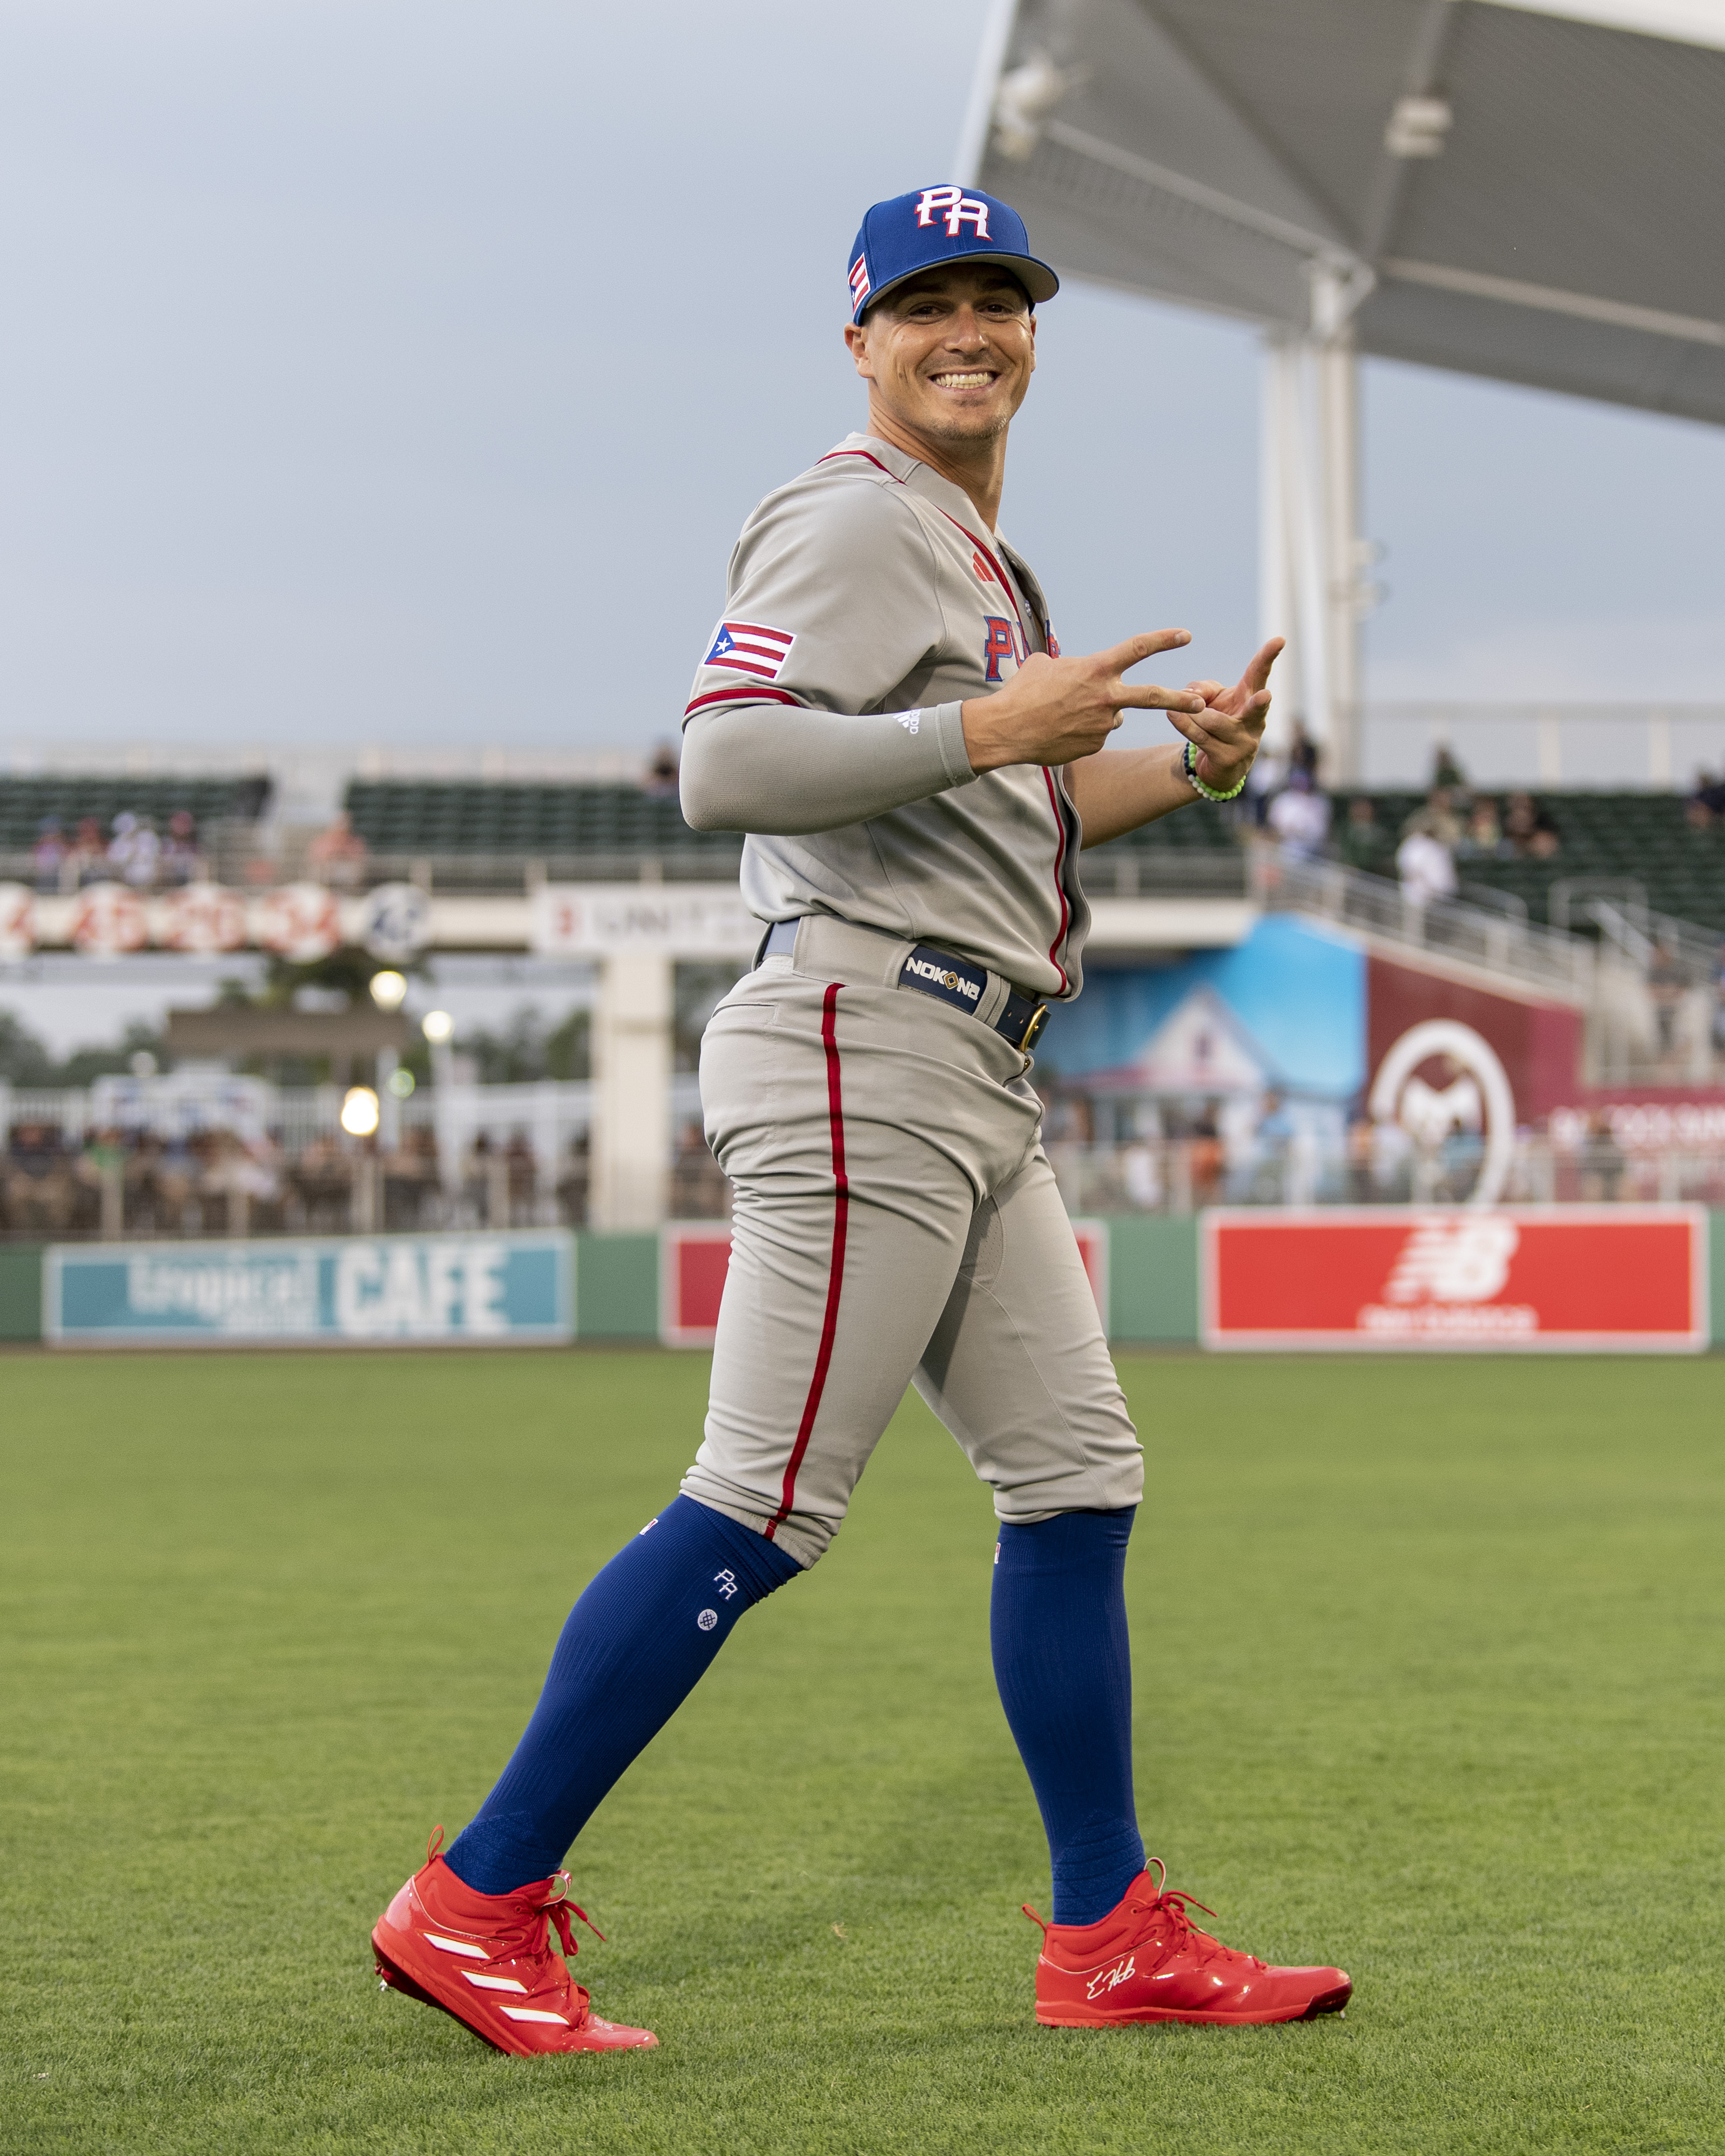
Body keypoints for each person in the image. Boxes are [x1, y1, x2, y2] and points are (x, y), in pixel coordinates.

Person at [372, 181, 1350, 2054]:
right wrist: (990, 730)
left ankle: (1108, 1936)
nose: (968, 328)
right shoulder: (851, 514)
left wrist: (1176, 770)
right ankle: (476, 1895)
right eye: (928, 303)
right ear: (861, 340)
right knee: (760, 1504)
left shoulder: (967, 551)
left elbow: (996, 823)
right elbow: (719, 764)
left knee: (1075, 1482)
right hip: (861, 1038)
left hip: (966, 1055)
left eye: (999, 299)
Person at [1265, 766, 1330, 859]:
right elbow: (1274, 826)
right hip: (1286, 849)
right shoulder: (1283, 800)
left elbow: (1320, 831)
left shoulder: (1319, 802)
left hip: (1312, 852)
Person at [1396, 814, 1458, 907]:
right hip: (1419, 897)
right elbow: (1410, 869)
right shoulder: (1414, 843)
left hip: (1441, 898)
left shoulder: (1439, 847)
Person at [1503, 791, 1560, 859]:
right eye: (1517, 806)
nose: (1521, 815)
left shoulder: (1544, 838)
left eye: (1525, 808)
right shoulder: (1500, 835)